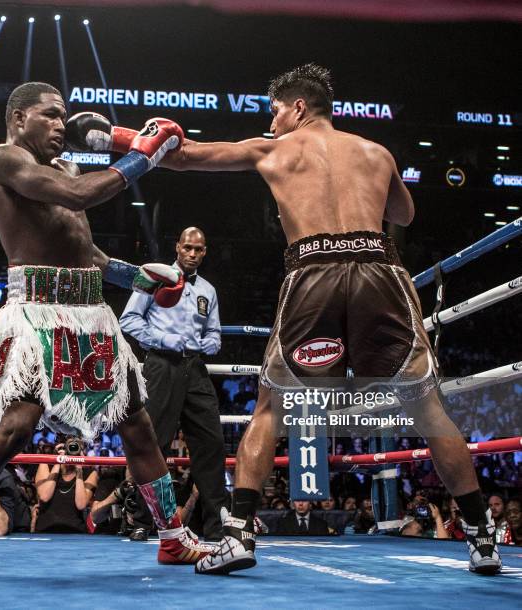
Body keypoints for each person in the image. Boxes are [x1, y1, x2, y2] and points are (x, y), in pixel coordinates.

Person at [73, 64, 503, 574]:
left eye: (275, 110)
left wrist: (117, 136)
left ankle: (237, 537)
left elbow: (182, 156)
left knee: (270, 408)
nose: (271, 121)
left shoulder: (274, 148)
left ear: (298, 107)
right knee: (428, 409)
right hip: (381, 269)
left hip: (314, 269)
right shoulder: (376, 151)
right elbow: (405, 215)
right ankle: (481, 538)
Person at [0, 82, 212, 572]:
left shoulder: (66, 167)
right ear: (17, 119)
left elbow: (85, 252)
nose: (59, 124)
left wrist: (139, 278)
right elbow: (79, 194)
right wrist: (143, 155)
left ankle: (172, 537)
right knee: (17, 427)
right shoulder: (3, 160)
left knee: (138, 426)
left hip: (91, 315)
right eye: (48, 115)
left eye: (63, 116)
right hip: (36, 314)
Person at [119, 227, 227, 541]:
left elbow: (215, 332)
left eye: (199, 249)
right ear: (178, 247)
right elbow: (128, 319)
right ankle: (140, 519)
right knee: (153, 442)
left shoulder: (208, 289)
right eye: (188, 248)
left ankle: (216, 525)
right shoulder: (155, 277)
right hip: (161, 364)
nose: (193, 254)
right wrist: (163, 338)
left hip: (195, 368)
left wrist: (212, 342)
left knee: (211, 442)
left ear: (205, 252)